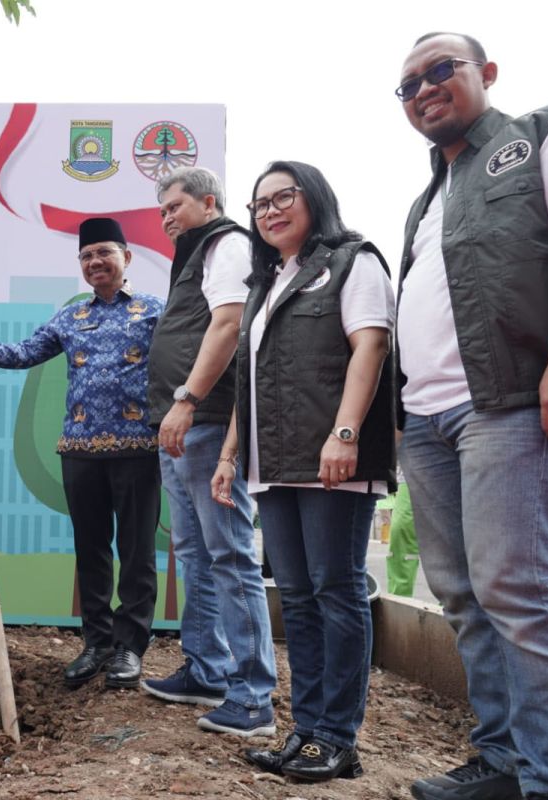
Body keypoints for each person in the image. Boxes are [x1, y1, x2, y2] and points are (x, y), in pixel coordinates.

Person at [394, 32, 548, 800]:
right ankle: (505, 763)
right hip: (426, 418)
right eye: (408, 84)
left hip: (509, 402)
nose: (423, 89)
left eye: (439, 70)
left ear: (487, 72)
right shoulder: (426, 200)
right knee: (463, 594)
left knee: (522, 590)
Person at [212, 161, 395, 781]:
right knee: (297, 597)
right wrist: (231, 455)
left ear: (314, 198)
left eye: (282, 198)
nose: (269, 212)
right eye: (259, 205)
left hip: (331, 462)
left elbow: (370, 346)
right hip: (274, 465)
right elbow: (250, 385)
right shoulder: (266, 283)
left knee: (335, 591)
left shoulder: (353, 261)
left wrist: (344, 434)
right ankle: (309, 730)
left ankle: (337, 737)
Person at [0, 218, 162, 689]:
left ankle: (130, 647)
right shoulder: (70, 318)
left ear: (127, 257)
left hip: (140, 449)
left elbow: (184, 361)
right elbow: (23, 353)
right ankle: (97, 643)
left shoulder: (154, 311)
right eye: (86, 256)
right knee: (91, 551)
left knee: (138, 552)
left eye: (104, 252)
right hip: (78, 451)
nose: (95, 262)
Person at [139, 166, 277, 739]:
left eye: (175, 206)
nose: (168, 217)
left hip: (206, 421)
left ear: (209, 202)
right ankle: (208, 670)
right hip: (182, 430)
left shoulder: (227, 244)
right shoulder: (195, 254)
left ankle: (252, 698)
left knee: (230, 556)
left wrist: (188, 399)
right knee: (196, 555)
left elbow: (229, 323)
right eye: (163, 210)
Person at [384, 466, 419, 597]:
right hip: (410, 466)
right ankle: (399, 599)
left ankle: (453, 610)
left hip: (452, 464)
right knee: (400, 528)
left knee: (447, 536)